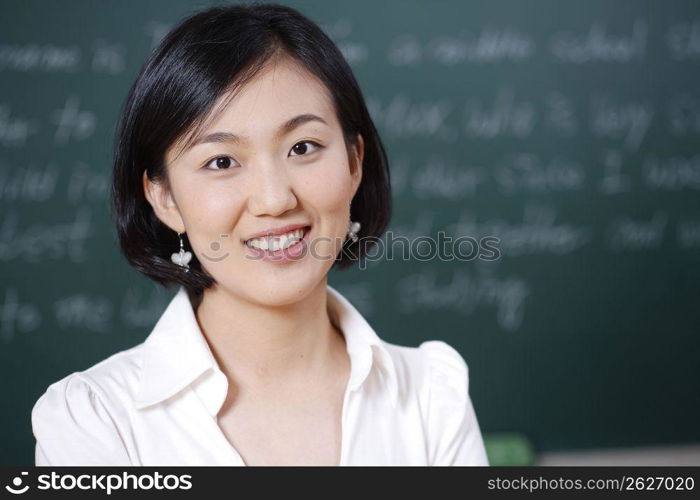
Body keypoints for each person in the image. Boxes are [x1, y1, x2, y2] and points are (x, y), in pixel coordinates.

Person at [30, 2, 489, 466]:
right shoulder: (94, 420)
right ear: (164, 197)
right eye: (222, 162)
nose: (274, 200)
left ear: (354, 162)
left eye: (303, 147)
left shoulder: (433, 398)